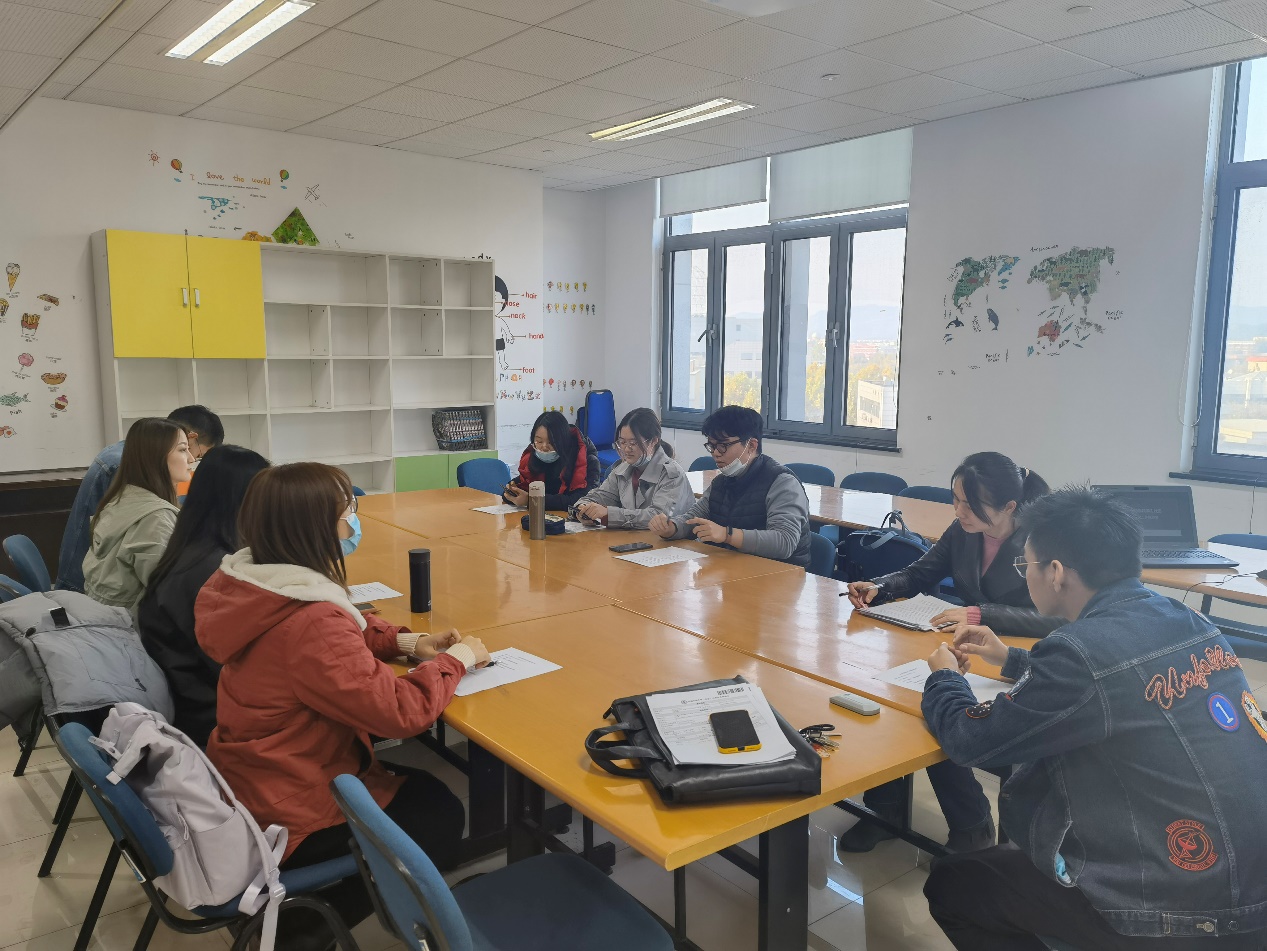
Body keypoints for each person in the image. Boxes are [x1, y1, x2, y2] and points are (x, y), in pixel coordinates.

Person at [922, 487, 1267, 949]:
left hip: (1183, 908)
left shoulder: (1078, 652)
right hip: (1251, 881)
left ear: (1056, 573)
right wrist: (1011, 659)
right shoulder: (1187, 620)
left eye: (1026, 566)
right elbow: (1116, 682)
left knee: (954, 886)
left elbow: (970, 740)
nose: (1026, 576)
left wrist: (944, 679)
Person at [196, 462, 489, 943]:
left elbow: (341, 630)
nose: (353, 519)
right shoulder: (310, 619)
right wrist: (455, 661)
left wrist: (407, 643)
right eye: (346, 509)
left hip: (256, 774)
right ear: (313, 527)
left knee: (417, 791)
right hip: (290, 801)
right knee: (438, 814)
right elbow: (400, 712)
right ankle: (305, 930)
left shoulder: (255, 584)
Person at [839, 452, 1060, 854]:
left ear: (1009, 506)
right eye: (955, 499)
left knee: (941, 712)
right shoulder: (964, 529)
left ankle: (971, 824)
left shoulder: (1041, 538)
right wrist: (880, 586)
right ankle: (886, 806)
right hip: (968, 647)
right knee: (891, 695)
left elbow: (1055, 617)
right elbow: (921, 572)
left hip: (1015, 657)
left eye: (969, 504)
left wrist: (981, 613)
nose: (958, 511)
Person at [136, 446, 270, 748]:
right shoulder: (213, 572)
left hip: (197, 704)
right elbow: (241, 668)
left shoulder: (196, 550)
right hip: (214, 720)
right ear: (242, 501)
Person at [57, 405, 224, 592]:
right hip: (85, 585)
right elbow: (163, 583)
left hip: (100, 586)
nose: (192, 460)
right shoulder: (124, 467)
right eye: (185, 450)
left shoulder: (134, 453)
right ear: (190, 437)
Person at [649, 405, 811, 567]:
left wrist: (727, 535)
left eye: (723, 446)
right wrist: (672, 528)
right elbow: (695, 518)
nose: (715, 453)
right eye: (712, 446)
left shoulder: (782, 482)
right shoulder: (721, 481)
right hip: (734, 568)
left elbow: (784, 542)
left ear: (751, 445)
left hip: (779, 574)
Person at [81, 418, 193, 616]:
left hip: (104, 618)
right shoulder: (155, 517)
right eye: (183, 450)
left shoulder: (122, 497)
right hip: (130, 627)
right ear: (156, 457)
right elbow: (171, 593)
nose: (191, 459)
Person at [572, 408, 694, 529]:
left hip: (664, 540)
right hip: (633, 538)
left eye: (633, 443)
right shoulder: (622, 469)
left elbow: (658, 517)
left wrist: (610, 515)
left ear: (654, 441)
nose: (626, 449)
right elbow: (600, 496)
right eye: (622, 442)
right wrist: (582, 508)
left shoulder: (672, 475)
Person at [503, 410, 599, 510]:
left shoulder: (586, 460)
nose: (544, 447)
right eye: (539, 441)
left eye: (551, 442)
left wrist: (532, 500)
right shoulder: (533, 456)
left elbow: (584, 500)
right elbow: (521, 484)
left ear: (563, 441)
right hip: (542, 516)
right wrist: (511, 492)